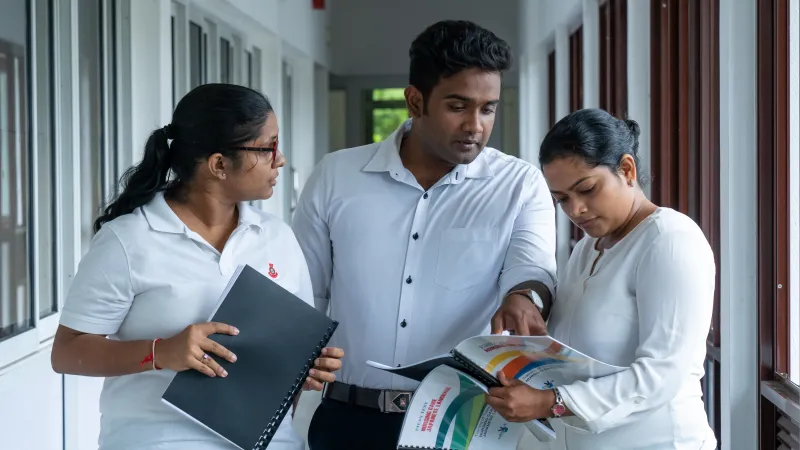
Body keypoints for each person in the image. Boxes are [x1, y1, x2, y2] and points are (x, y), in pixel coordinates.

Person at [291, 20, 557, 450]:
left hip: (462, 425)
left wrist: (524, 295)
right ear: (415, 101)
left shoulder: (519, 184)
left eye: (488, 108)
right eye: (458, 106)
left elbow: (533, 267)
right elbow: (306, 294)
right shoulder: (336, 176)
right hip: (347, 420)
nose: (475, 125)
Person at [50, 83, 344, 450]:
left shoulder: (277, 237)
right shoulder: (128, 240)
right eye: (268, 147)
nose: (280, 159)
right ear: (219, 164)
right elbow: (67, 352)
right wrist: (161, 352)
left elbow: (287, 348)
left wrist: (304, 367)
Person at [485, 108, 717, 449]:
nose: (575, 210)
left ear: (626, 169)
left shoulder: (669, 240)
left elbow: (661, 374)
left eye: (587, 189)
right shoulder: (587, 248)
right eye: (561, 199)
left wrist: (550, 403)